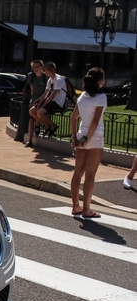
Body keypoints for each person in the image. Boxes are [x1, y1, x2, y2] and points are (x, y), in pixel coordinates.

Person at [69, 67, 107, 218]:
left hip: (80, 135)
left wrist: (75, 137)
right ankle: (86, 209)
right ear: (99, 81)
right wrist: (88, 139)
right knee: (90, 175)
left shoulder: (82, 97)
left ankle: (75, 206)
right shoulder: (101, 97)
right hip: (95, 138)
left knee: (77, 173)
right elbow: (96, 121)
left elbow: (73, 117)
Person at [27, 62, 65, 147]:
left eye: (45, 70)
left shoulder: (59, 80)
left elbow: (52, 96)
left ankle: (52, 125)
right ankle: (47, 125)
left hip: (57, 102)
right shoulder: (50, 80)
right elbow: (45, 94)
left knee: (39, 113)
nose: (44, 72)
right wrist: (38, 103)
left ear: (48, 70)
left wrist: (42, 106)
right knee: (32, 111)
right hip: (50, 100)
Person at [17, 60, 47, 144]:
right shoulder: (31, 76)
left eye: (37, 66)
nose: (36, 68)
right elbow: (32, 89)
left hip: (43, 96)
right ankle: (30, 140)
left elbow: (46, 91)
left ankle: (39, 124)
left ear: (41, 67)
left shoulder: (45, 76)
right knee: (31, 117)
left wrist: (39, 100)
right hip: (35, 96)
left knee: (37, 111)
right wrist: (32, 99)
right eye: (34, 67)